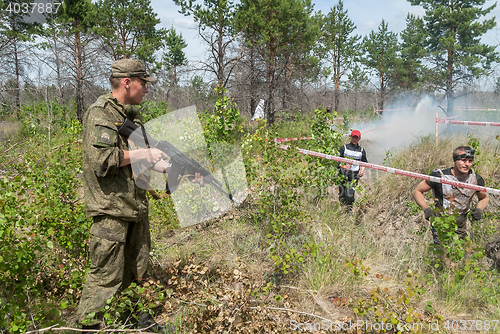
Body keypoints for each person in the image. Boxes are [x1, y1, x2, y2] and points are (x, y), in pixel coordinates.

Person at [77, 59, 198, 331]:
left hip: (135, 209)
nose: (147, 89)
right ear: (127, 82)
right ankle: (86, 329)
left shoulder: (131, 117)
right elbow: (103, 160)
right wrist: (145, 153)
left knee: (138, 272)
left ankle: (135, 323)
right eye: (144, 83)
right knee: (104, 279)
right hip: (112, 212)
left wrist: (175, 169)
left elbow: (140, 162)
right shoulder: (100, 114)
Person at [412, 146, 489, 244]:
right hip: (441, 222)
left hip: (461, 223)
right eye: (463, 160)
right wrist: (426, 209)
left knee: (459, 255)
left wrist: (479, 209)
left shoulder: (476, 179)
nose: (467, 164)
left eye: (470, 161)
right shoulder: (439, 176)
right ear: (455, 160)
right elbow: (417, 191)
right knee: (444, 256)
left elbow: (484, 198)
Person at [338, 130, 367, 210]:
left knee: (350, 194)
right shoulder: (344, 148)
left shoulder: (361, 151)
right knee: (342, 194)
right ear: (350, 137)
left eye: (356, 138)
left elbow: (364, 162)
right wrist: (343, 166)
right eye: (353, 137)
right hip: (343, 174)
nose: (354, 139)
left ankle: (349, 211)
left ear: (359, 138)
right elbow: (337, 160)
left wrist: (362, 171)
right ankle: (342, 210)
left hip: (354, 175)